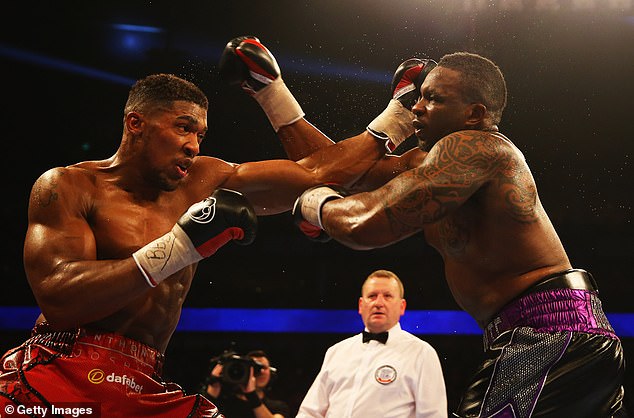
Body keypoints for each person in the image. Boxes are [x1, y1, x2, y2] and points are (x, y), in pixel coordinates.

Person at [0, 35, 432, 417]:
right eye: (183, 129)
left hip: (146, 378)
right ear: (136, 123)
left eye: (200, 135)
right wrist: (180, 246)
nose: (193, 145)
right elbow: (59, 297)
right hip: (60, 373)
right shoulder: (70, 185)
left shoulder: (203, 179)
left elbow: (317, 174)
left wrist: (396, 117)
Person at [292, 52, 628, 417]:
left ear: (474, 114)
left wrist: (314, 204)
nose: (417, 107)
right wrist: (271, 94)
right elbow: (329, 169)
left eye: (433, 98)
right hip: (556, 334)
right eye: (416, 98)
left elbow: (363, 224)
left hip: (549, 334)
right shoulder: (436, 169)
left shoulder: (475, 148)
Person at [297, 269, 447, 418]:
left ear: (402, 307)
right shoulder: (336, 351)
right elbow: (310, 412)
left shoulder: (422, 353)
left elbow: (433, 415)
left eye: (387, 296)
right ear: (361, 305)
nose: (379, 303)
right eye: (372, 296)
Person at [200, 350, 290, 418]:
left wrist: (251, 394)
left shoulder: (278, 407)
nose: (261, 371)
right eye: (256, 367)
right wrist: (213, 384)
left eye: (264, 368)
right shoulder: (223, 404)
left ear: (271, 374)